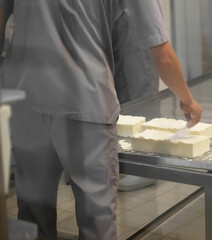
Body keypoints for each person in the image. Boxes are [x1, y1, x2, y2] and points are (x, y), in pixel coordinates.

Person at [0, 1, 201, 240]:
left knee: (33, 218)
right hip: (85, 104)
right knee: (96, 222)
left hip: (27, 99)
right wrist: (187, 99)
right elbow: (162, 53)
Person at [114, 0, 166, 192]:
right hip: (117, 29)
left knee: (141, 94)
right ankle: (128, 161)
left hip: (135, 31)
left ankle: (146, 168)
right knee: (121, 97)